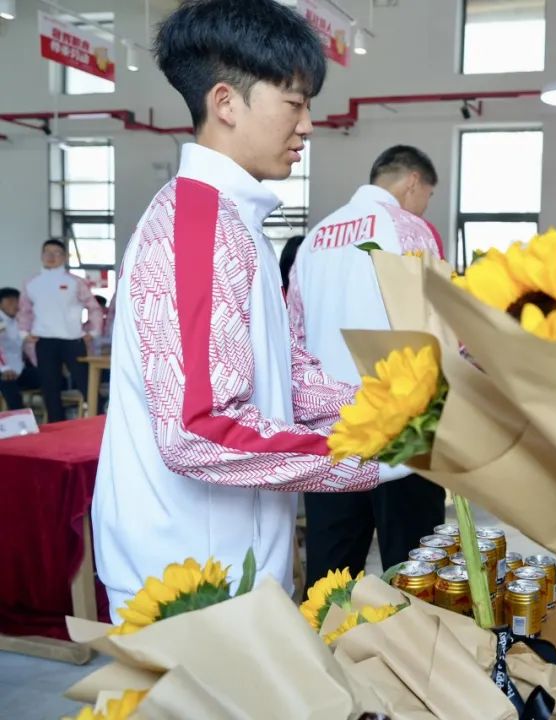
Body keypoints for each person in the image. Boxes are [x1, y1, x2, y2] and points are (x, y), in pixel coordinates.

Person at [92, 0, 406, 620]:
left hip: (232, 559)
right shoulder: (197, 227)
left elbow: (286, 379)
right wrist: (374, 458)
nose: (308, 125)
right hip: (186, 576)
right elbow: (199, 430)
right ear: (226, 102)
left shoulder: (235, 223)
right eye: (294, 103)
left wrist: (401, 412)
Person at [288, 145, 444, 581]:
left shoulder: (314, 239)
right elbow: (438, 330)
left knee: (330, 580)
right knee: (412, 577)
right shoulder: (411, 231)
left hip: (332, 437)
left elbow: (294, 337)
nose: (424, 205)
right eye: (427, 196)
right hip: (403, 433)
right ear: (413, 182)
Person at [17, 240, 103, 422]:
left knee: (86, 383)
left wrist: (93, 332)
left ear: (64, 257)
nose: (51, 256)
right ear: (42, 255)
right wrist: (24, 333)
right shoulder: (31, 282)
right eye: (47, 252)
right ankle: (57, 427)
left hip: (73, 340)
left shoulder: (75, 282)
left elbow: (94, 307)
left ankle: (102, 422)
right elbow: (24, 310)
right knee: (50, 388)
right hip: (44, 341)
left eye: (56, 253)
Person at [0, 287, 39, 410]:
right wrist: (5, 368)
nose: (15, 305)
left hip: (19, 369)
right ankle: (18, 416)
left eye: (17, 301)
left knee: (49, 377)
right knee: (9, 385)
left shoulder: (20, 321)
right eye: (10, 301)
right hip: (3, 370)